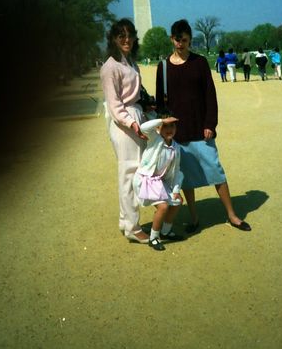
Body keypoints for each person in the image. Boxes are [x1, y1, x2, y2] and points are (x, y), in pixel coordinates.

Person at [155, 19, 251, 233]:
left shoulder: (199, 63)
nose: (181, 44)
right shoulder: (162, 67)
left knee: (216, 171)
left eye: (185, 40)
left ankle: (232, 215)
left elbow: (210, 95)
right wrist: (165, 131)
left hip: (200, 128)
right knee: (185, 179)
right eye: (177, 40)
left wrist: (210, 123)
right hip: (178, 133)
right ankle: (194, 217)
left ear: (190, 40)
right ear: (172, 39)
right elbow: (161, 104)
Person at [100, 18, 149, 244]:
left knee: (132, 171)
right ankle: (132, 227)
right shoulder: (110, 67)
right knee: (129, 173)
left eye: (129, 35)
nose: (126, 39)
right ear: (113, 39)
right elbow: (115, 104)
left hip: (135, 116)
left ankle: (124, 220)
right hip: (124, 122)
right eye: (121, 35)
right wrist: (132, 123)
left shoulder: (129, 62)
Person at [133, 114, 184, 251]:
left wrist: (176, 191)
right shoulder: (155, 139)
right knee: (163, 207)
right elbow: (144, 127)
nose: (169, 129)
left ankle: (165, 232)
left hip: (159, 182)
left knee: (177, 202)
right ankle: (153, 237)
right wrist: (161, 120)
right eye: (165, 126)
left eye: (172, 125)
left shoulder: (176, 147)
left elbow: (177, 171)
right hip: (145, 180)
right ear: (158, 128)